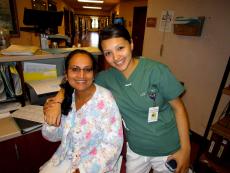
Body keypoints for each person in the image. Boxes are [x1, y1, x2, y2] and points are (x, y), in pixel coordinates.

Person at [44, 24, 191, 173]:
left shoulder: (156, 71)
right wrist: (58, 100)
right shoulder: (106, 78)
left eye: (120, 48)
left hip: (167, 147)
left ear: (131, 44)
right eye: (108, 53)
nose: (115, 58)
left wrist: (186, 149)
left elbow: (178, 108)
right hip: (136, 149)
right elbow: (78, 81)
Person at [40, 49, 123, 173]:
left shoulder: (105, 100)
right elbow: (52, 136)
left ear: (94, 73)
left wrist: (82, 170)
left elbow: (112, 146)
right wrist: (51, 120)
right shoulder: (65, 97)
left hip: (96, 165)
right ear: (66, 74)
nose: (81, 75)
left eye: (87, 69)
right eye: (75, 69)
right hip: (66, 159)